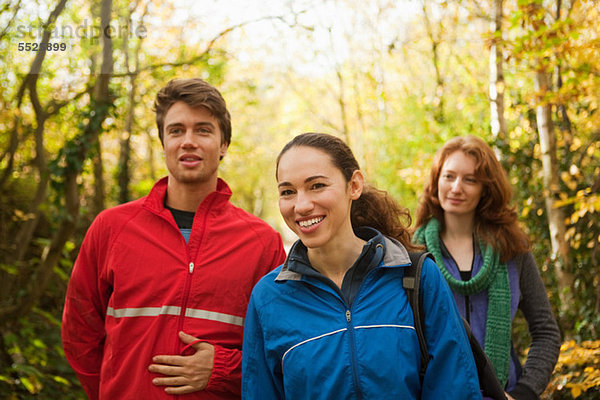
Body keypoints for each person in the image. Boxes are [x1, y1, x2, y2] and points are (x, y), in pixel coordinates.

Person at [62, 78, 286, 399]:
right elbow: (79, 331)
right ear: (163, 141)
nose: (188, 141)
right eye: (177, 130)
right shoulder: (111, 227)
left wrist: (224, 369)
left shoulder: (262, 242)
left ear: (223, 145)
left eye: (203, 130)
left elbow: (280, 348)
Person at [242, 132, 482, 399]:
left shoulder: (417, 277)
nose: (301, 205)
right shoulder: (268, 299)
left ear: (354, 185)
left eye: (317, 186)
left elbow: (455, 388)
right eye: (288, 192)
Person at [413, 135, 561, 400]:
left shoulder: (513, 250)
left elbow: (546, 331)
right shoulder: (414, 254)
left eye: (470, 179)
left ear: (486, 188)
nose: (456, 187)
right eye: (449, 176)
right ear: (436, 181)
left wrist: (525, 392)